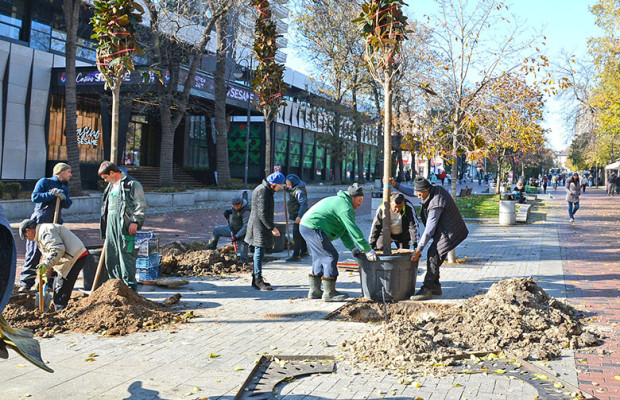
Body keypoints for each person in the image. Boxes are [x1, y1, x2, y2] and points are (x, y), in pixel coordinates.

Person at [392, 177, 469, 301]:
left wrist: (418, 250)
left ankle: (427, 288)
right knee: (434, 255)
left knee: (433, 255)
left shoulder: (436, 202)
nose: (417, 196)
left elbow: (429, 230)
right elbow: (413, 191)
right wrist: (396, 184)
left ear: (426, 190)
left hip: (451, 232)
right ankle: (435, 286)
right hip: (444, 230)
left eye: (420, 194)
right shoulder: (430, 190)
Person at [300, 183, 376, 302]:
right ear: (352, 197)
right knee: (330, 256)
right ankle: (329, 293)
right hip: (313, 227)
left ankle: (315, 291)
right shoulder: (345, 207)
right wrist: (367, 249)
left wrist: (352, 248)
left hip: (307, 226)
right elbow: (353, 229)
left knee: (320, 257)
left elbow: (343, 230)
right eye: (359, 200)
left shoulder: (342, 203)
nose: (360, 204)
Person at [19, 163, 73, 292]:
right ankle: (26, 283)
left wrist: (64, 198)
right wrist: (51, 194)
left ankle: (49, 283)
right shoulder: (44, 182)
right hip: (40, 221)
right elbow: (35, 197)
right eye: (68, 172)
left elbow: (68, 204)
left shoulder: (63, 187)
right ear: (60, 172)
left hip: (55, 224)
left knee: (54, 252)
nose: (70, 175)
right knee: (34, 252)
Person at [18, 219, 92, 312]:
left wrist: (45, 265)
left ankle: (60, 313)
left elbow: (57, 250)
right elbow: (49, 255)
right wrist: (46, 275)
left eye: (25, 236)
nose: (27, 239)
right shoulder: (41, 235)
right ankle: (59, 310)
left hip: (75, 257)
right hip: (69, 257)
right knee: (56, 286)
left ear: (28, 230)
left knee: (61, 289)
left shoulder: (45, 232)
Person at [99, 161, 146, 291]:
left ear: (112, 173)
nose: (105, 181)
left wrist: (135, 222)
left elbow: (140, 205)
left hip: (125, 226)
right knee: (112, 255)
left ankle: (130, 288)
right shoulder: (110, 186)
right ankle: (115, 286)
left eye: (105, 177)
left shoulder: (132, 184)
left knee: (126, 256)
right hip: (110, 225)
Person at [245, 172, 285, 290]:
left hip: (259, 225)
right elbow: (262, 213)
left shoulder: (265, 189)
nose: (280, 187)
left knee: (259, 252)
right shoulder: (263, 191)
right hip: (258, 226)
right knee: (258, 252)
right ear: (273, 184)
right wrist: (272, 227)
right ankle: (257, 280)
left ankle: (256, 278)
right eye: (279, 185)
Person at [206, 195, 250, 263]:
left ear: (241, 204)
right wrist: (228, 211)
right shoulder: (234, 207)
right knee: (216, 230)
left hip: (242, 234)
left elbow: (246, 226)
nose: (235, 208)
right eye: (234, 206)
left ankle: (243, 265)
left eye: (237, 206)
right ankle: (210, 250)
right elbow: (232, 210)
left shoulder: (246, 211)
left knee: (243, 257)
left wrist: (237, 236)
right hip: (232, 229)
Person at [284, 174, 308, 262]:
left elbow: (304, 204)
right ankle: (304, 251)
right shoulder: (295, 189)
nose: (288, 186)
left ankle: (296, 255)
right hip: (296, 215)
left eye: (289, 185)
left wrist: (299, 216)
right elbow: (290, 190)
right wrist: (285, 188)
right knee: (301, 233)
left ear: (294, 184)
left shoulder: (299, 192)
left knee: (296, 235)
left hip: (299, 216)